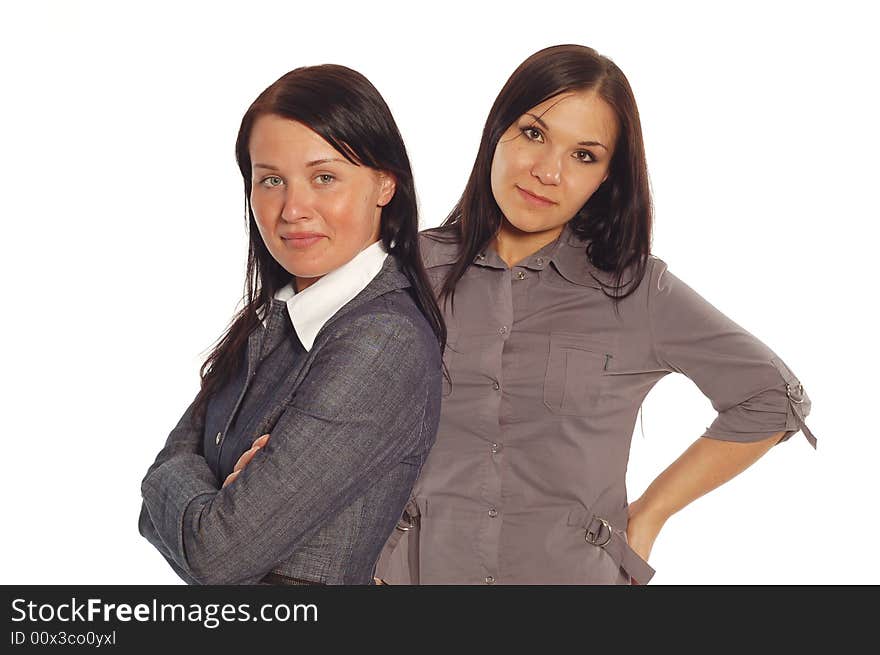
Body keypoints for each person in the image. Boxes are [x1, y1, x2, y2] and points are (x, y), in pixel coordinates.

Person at [374, 44, 818, 585]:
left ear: (607, 175)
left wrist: (650, 514)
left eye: (583, 155)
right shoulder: (405, 271)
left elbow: (770, 397)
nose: (547, 172)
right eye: (534, 134)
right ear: (497, 133)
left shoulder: (637, 291)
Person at [138, 64, 445, 585]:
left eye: (324, 177)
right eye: (271, 181)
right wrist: (198, 492)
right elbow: (157, 488)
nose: (293, 208)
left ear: (385, 183)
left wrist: (178, 485)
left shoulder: (381, 342)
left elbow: (216, 556)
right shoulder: (274, 318)